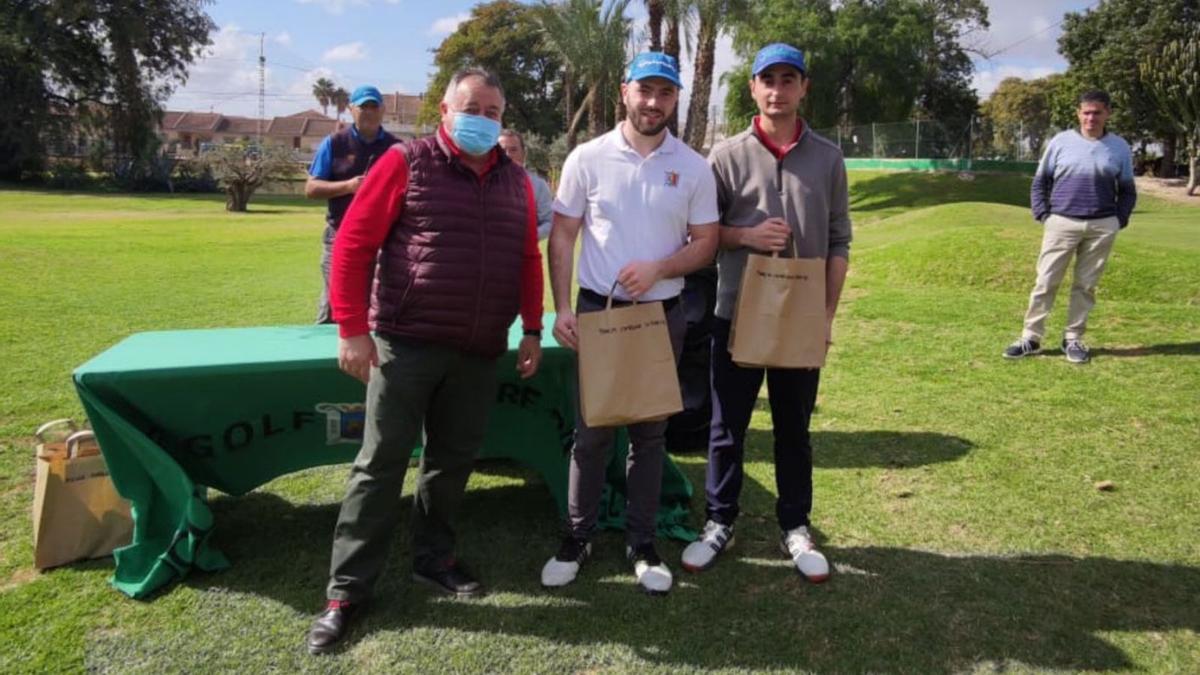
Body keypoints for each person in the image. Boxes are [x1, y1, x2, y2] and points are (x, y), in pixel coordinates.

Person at [306, 68, 544, 655]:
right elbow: (354, 245)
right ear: (444, 109)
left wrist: (533, 329)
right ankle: (347, 592)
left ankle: (433, 561)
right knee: (379, 464)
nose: (483, 118)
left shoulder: (516, 182)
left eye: (493, 111)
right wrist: (352, 330)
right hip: (404, 344)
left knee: (451, 461)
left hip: (479, 349)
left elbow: (526, 262)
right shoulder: (404, 163)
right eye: (473, 107)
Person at [540, 52, 719, 596]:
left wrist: (661, 267)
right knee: (591, 434)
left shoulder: (692, 166)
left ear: (675, 100)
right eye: (645, 90)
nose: (653, 102)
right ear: (624, 91)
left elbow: (707, 243)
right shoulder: (588, 157)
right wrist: (563, 308)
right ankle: (576, 537)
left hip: (662, 315)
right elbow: (564, 234)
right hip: (600, 312)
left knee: (649, 434)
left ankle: (642, 545)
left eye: (665, 93)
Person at [680, 43, 851, 583]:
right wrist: (744, 235)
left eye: (788, 79)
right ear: (753, 88)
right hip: (737, 312)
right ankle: (719, 521)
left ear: (803, 88)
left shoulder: (827, 157)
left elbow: (840, 240)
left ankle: (795, 525)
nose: (777, 90)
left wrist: (825, 316)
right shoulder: (725, 156)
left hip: (800, 317)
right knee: (726, 426)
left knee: (793, 428)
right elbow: (700, 236)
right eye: (767, 80)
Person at [1003, 90, 1137, 364]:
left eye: (1097, 112)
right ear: (1078, 113)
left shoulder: (1119, 147)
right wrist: (1044, 214)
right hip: (1061, 222)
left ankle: (1073, 339)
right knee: (1045, 281)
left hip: (1102, 224)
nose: (1091, 118)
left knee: (1085, 286)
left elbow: (1127, 190)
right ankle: (1031, 338)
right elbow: (1040, 182)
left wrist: (1118, 219)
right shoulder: (1060, 142)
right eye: (1086, 112)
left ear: (1107, 113)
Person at [305, 85, 400, 324]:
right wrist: (348, 186)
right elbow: (311, 188)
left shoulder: (396, 148)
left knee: (375, 302)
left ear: (383, 110)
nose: (368, 112)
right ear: (350, 110)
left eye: (373, 106)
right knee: (335, 301)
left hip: (383, 239)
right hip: (339, 234)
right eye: (362, 106)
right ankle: (322, 359)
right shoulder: (334, 143)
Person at [498, 128, 554, 240]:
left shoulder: (538, 186)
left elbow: (549, 222)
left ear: (524, 153)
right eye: (503, 150)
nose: (508, 155)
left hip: (523, 254)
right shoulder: (480, 183)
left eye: (513, 150)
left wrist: (527, 237)